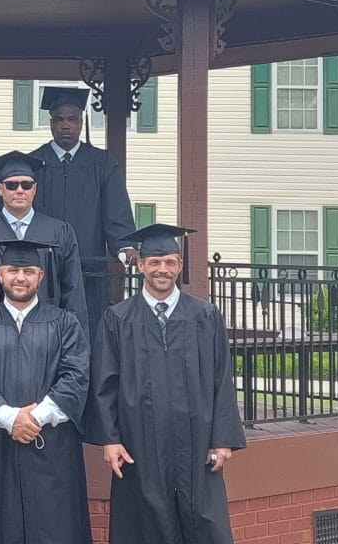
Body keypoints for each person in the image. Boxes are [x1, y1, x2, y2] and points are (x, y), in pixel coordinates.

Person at [86, 224, 246, 544]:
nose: (163, 269)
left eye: (170, 262)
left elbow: (220, 378)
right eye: (155, 262)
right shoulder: (118, 319)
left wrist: (222, 439)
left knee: (202, 522)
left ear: (180, 267)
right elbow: (104, 383)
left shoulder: (205, 316)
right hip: (138, 445)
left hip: (197, 443)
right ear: (141, 265)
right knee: (144, 523)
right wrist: (110, 439)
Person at [0, 239, 92, 544]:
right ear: (0, 274)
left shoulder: (65, 323)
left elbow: (76, 375)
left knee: (55, 528)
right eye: (13, 270)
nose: (20, 277)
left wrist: (34, 419)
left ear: (41, 276)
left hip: (53, 448)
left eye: (29, 271)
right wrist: (10, 419)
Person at [30, 86, 137, 342]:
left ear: (82, 121)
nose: (65, 125)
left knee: (88, 333)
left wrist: (124, 246)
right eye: (59, 119)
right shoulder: (34, 163)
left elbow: (116, 210)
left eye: (72, 119)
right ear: (51, 123)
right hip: (44, 267)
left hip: (89, 268)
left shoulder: (102, 163)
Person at [0, 150, 89, 338]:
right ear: (0, 189)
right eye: (11, 185)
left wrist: (75, 344)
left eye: (26, 184)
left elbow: (73, 293)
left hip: (50, 334)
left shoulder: (59, 231)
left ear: (35, 189)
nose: (19, 190)